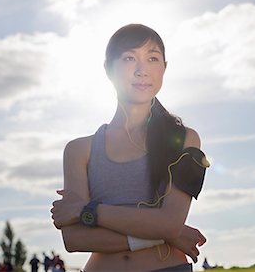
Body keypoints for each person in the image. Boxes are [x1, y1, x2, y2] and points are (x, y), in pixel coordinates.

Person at [51, 24, 210, 272]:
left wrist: (86, 209)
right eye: (128, 58)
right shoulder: (79, 150)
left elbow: (169, 224)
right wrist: (160, 234)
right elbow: (74, 240)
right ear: (108, 69)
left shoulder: (184, 139)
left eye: (152, 58)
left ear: (164, 68)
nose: (142, 70)